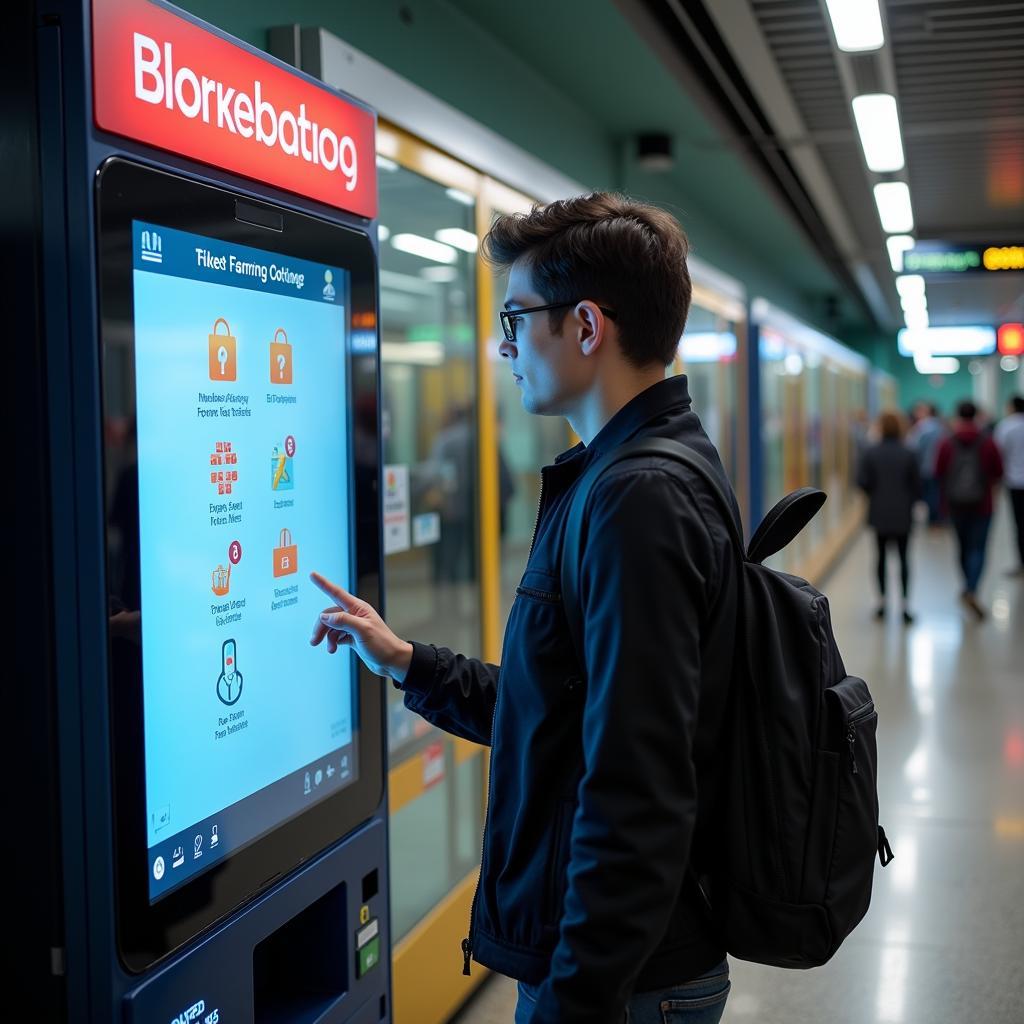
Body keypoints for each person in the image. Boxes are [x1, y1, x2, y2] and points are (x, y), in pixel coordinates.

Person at [311, 193, 739, 1024]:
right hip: (629, 972)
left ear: (585, 326)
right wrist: (408, 661)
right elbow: (573, 713)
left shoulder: (637, 497)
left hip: (620, 984)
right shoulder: (633, 471)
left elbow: (637, 788)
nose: (503, 346)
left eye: (515, 318)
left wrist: (575, 999)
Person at [935, 400, 1004, 618]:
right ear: (976, 416)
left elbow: (938, 472)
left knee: (963, 547)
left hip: (955, 504)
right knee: (979, 548)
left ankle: (967, 585)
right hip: (983, 505)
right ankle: (972, 588)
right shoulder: (987, 441)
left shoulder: (947, 442)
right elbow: (998, 471)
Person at [858, 411, 920, 623]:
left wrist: (877, 496)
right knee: (903, 559)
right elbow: (917, 485)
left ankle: (882, 604)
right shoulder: (909, 452)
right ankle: (904, 606)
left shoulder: (871, 452)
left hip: (879, 512)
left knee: (881, 558)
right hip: (903, 514)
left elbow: (862, 482)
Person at [994, 394, 1024, 576]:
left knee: (1020, 524)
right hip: (1015, 481)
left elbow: (998, 453)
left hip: (1015, 482)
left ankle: (1021, 562)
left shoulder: (1006, 426)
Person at [906, 401, 946, 526]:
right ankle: (937, 518)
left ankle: (933, 519)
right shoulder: (941, 427)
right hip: (939, 467)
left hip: (925, 468)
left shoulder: (922, 428)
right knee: (936, 494)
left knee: (930, 495)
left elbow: (913, 448)